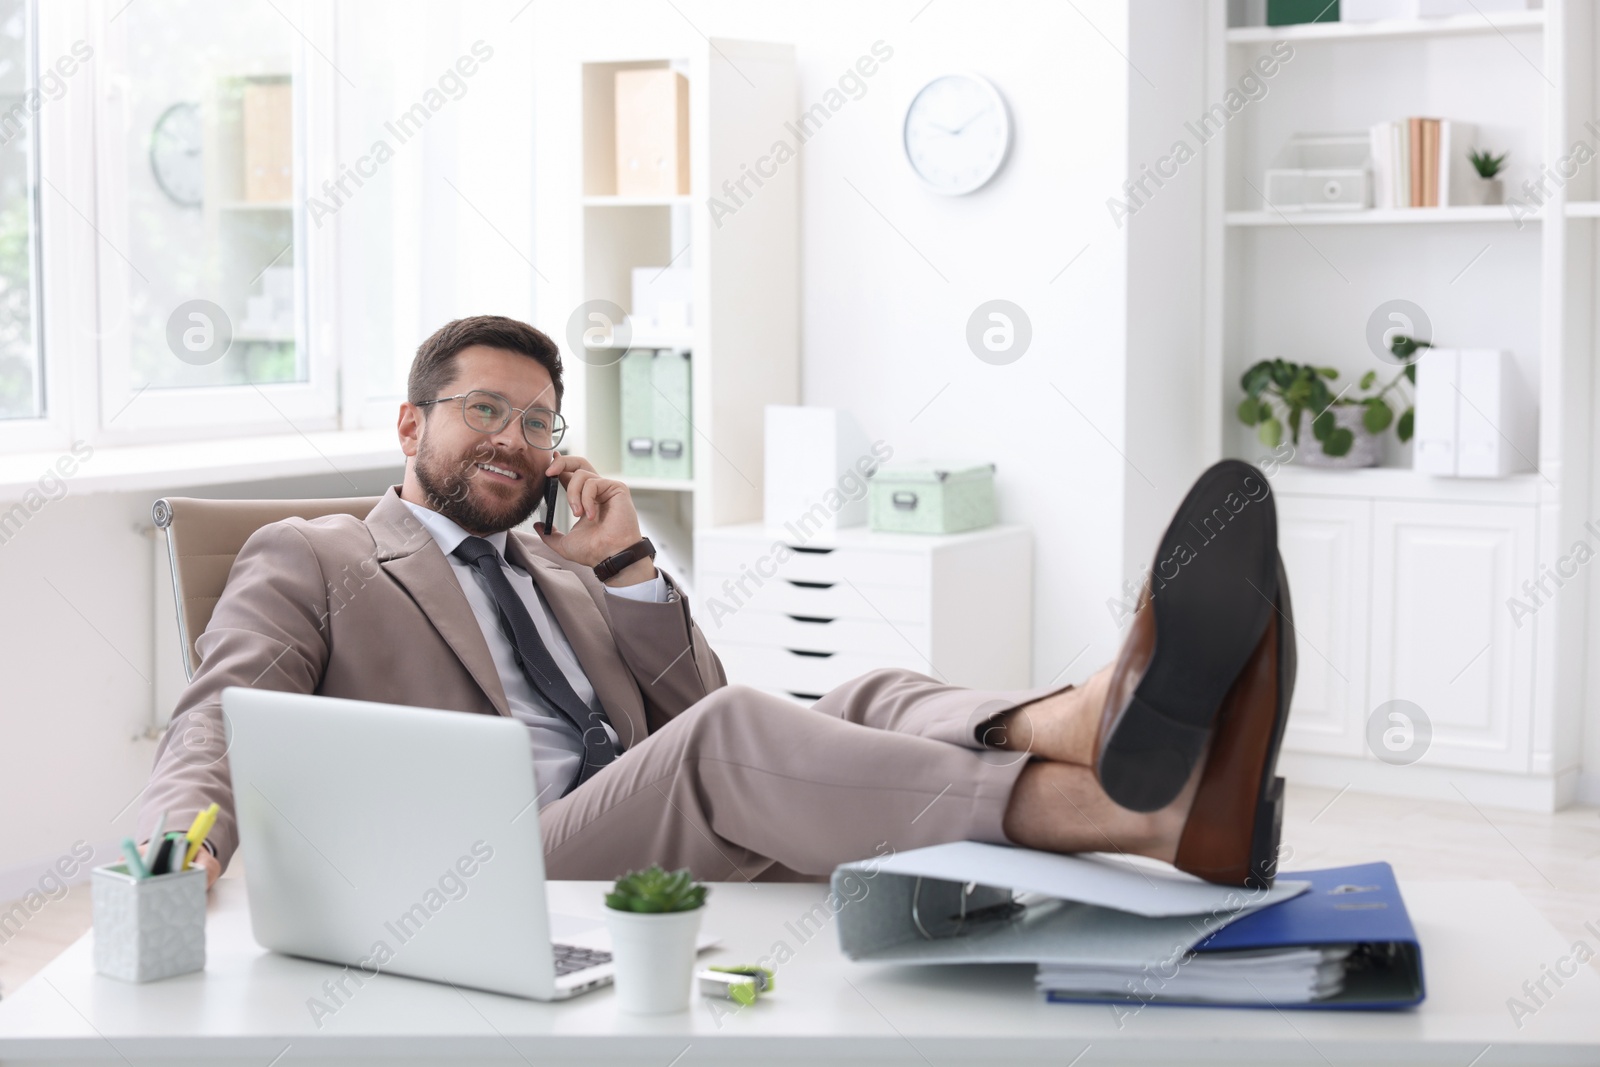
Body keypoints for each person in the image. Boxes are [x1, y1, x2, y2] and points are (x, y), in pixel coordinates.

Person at [138, 315, 1293, 893]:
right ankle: (1150, 815)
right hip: (493, 863)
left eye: (537, 423)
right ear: (411, 425)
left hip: (631, 810)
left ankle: (1095, 717)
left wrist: (630, 566)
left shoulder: (562, 564)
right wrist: (173, 857)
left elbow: (703, 709)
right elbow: (217, 716)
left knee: (865, 690)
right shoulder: (314, 551)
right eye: (484, 409)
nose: (515, 440)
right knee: (747, 736)